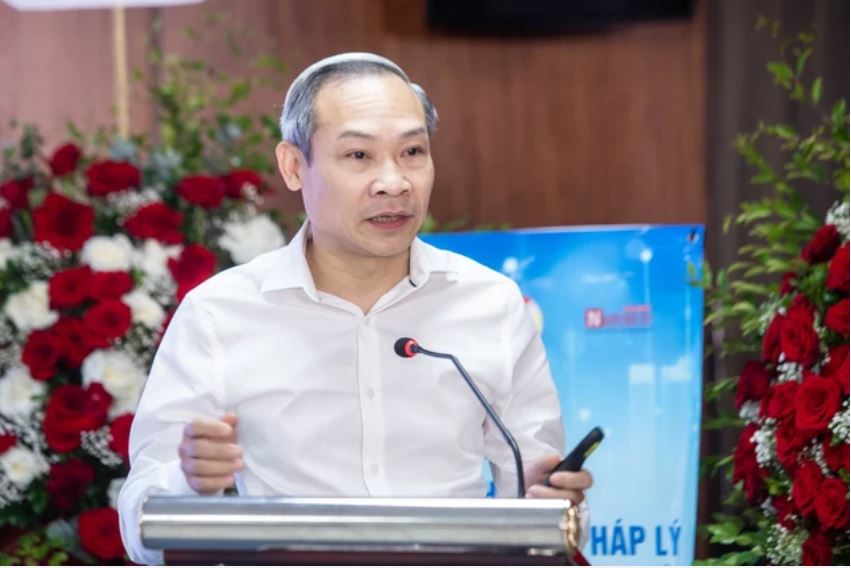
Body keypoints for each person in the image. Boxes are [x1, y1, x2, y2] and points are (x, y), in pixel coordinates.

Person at [118, 52, 593, 565]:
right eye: (359, 155)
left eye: (412, 151)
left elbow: (553, 507)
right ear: (294, 166)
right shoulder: (220, 313)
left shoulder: (490, 303)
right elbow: (140, 524)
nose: (395, 182)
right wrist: (189, 482)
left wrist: (553, 505)